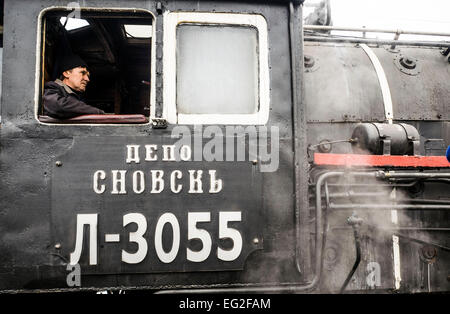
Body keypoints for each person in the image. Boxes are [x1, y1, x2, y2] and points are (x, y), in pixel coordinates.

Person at [43, 54, 105, 119]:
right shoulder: (52, 87)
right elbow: (56, 106)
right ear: (67, 73)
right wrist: (98, 113)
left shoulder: (77, 96)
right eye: (83, 73)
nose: (87, 79)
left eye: (88, 76)